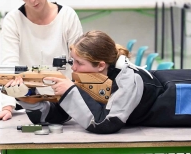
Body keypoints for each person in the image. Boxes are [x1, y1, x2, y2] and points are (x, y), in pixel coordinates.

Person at [16, 30, 191, 134]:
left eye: (79, 63)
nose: (73, 68)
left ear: (100, 65)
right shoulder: (96, 79)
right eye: (73, 61)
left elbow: (105, 123)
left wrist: (70, 91)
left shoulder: (128, 80)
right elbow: (58, 117)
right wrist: (26, 98)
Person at [0, 0, 83, 128]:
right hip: (28, 104)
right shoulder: (14, 20)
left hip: (65, 103)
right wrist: (7, 106)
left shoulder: (67, 16)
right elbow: (9, 66)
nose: (33, 0)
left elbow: (82, 63)